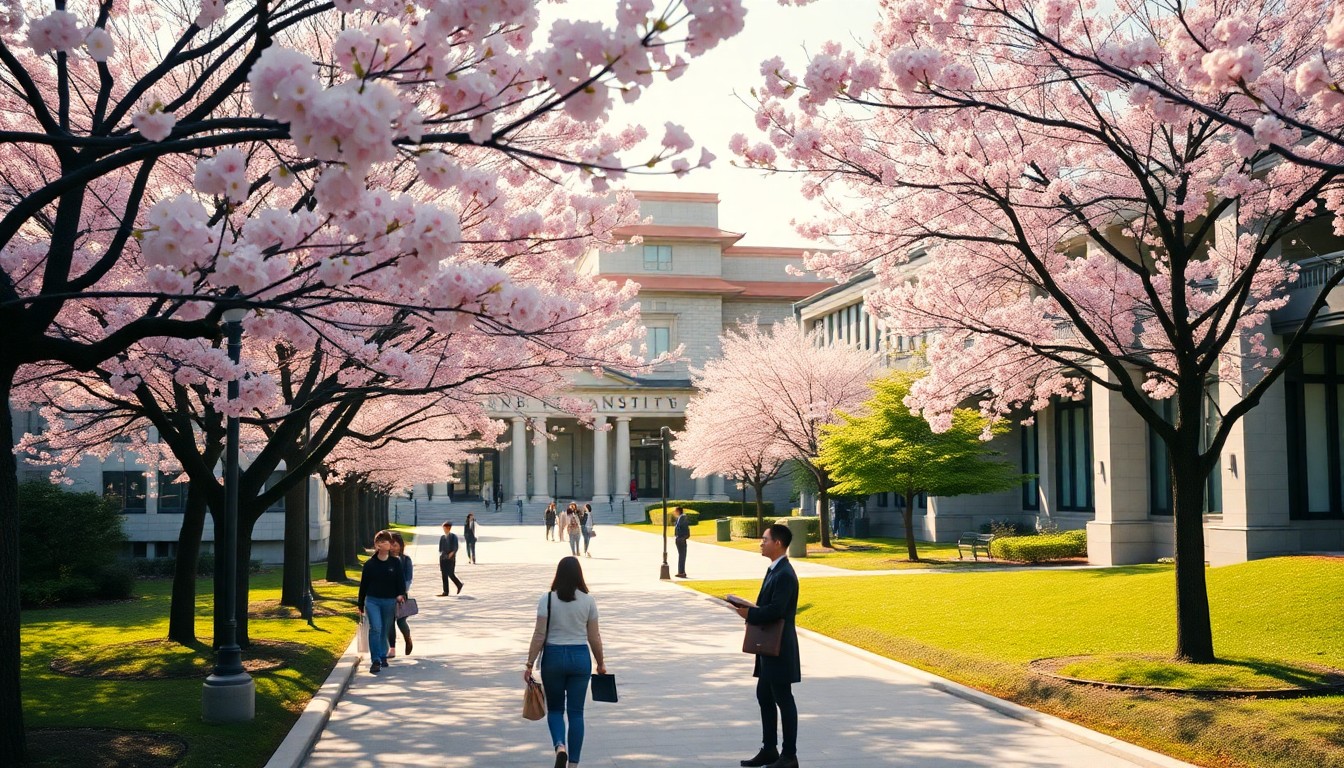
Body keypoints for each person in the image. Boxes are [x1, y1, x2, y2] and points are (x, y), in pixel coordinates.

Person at [525, 556, 607, 768]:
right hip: (580, 657)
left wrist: (529, 664)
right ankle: (573, 764)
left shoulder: (547, 599)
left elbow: (539, 634)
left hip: (553, 657)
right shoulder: (589, 601)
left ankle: (560, 746)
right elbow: (594, 637)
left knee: (555, 711)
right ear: (579, 574)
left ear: (558, 574)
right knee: (576, 713)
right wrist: (600, 663)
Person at [735, 524, 801, 768]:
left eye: (765, 539)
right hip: (768, 647)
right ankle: (769, 749)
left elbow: (777, 610)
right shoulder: (775, 570)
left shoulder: (785, 573)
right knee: (764, 695)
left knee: (783, 698)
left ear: (778, 543)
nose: (761, 543)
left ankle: (789, 755)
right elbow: (770, 605)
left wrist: (749, 614)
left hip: (779, 648)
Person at [357, 530, 407, 674]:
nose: (389, 544)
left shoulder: (395, 562)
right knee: (376, 628)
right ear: (378, 545)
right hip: (372, 601)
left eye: (389, 542)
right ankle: (376, 660)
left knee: (385, 629)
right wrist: (360, 604)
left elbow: (400, 581)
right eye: (385, 542)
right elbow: (363, 585)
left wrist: (400, 594)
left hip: (389, 601)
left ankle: (383, 655)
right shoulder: (370, 564)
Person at [386, 531, 414, 657]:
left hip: (401, 595)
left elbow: (408, 579)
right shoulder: (385, 559)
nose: (393, 548)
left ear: (401, 546)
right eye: (391, 545)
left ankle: (408, 639)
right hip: (387, 595)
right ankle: (392, 648)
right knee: (389, 622)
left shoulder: (405, 560)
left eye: (395, 545)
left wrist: (402, 593)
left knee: (401, 621)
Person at [437, 521, 464, 595]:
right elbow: (440, 549)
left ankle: (459, 584)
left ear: (449, 528)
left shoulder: (453, 537)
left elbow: (455, 548)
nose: (444, 529)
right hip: (443, 559)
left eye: (445, 528)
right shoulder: (442, 537)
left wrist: (450, 555)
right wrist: (442, 555)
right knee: (444, 575)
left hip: (450, 559)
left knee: (450, 573)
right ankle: (446, 591)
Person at [673, 506, 691, 578]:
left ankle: (681, 572)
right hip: (680, 538)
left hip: (681, 538)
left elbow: (683, 528)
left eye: (675, 511)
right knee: (682, 555)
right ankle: (681, 571)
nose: (674, 512)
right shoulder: (680, 517)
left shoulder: (682, 517)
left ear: (678, 511)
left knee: (682, 555)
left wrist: (682, 537)